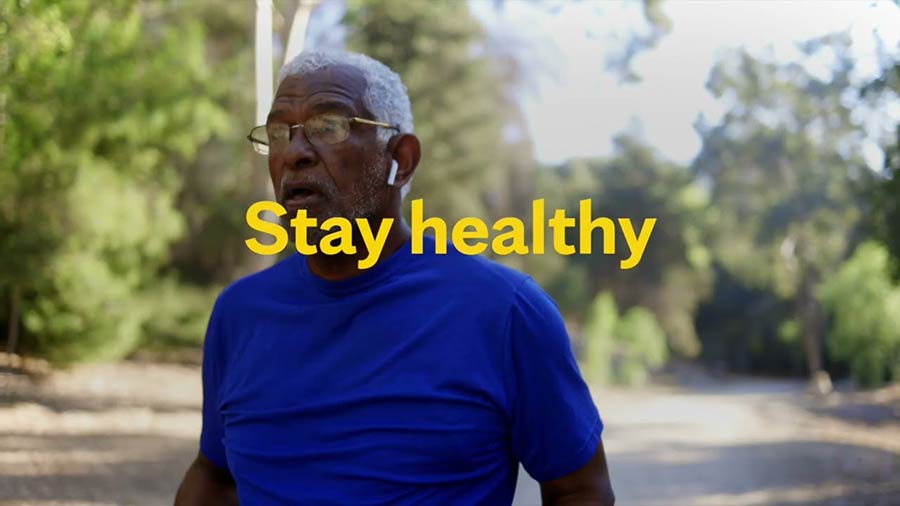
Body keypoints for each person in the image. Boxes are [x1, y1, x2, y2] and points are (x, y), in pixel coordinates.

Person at [175, 50, 615, 506]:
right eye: (280, 132)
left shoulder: (504, 311)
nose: (295, 153)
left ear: (400, 160)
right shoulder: (241, 314)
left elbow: (581, 490)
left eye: (330, 126)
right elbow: (216, 474)